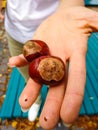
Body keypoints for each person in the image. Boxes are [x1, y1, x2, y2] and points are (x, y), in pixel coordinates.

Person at [1, 0, 98, 129]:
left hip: (57, 31)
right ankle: (37, 100)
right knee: (26, 72)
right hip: (15, 29)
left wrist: (70, 7)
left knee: (59, 77)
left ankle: (56, 104)